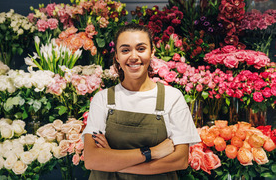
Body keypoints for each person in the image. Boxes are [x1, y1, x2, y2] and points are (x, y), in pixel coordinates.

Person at [82, 23, 201, 179]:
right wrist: (152, 152)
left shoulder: (172, 98)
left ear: (152, 52)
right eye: (125, 50)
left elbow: (180, 161)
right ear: (117, 56)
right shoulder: (102, 99)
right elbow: (92, 160)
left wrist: (113, 162)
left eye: (141, 49)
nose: (133, 56)